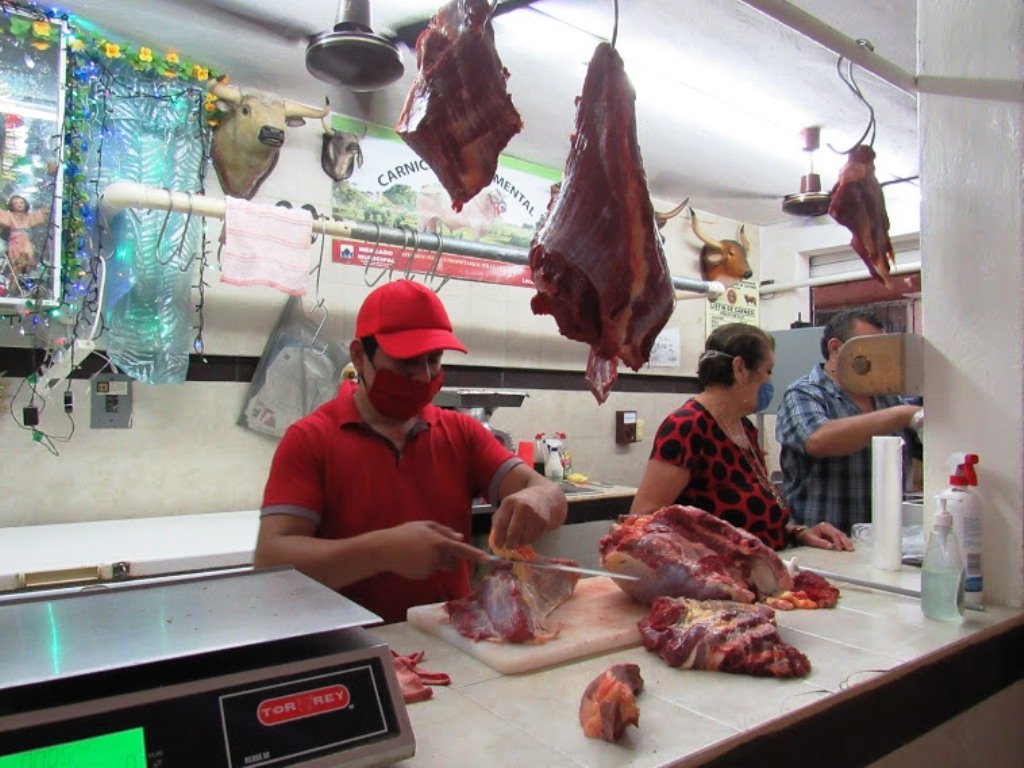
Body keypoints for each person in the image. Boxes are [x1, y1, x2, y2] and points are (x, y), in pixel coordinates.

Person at [253, 279, 567, 624]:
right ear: (359, 356)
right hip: (354, 648)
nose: (424, 376)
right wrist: (381, 551)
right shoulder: (311, 440)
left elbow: (550, 494)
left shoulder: (460, 433)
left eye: (434, 360)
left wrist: (539, 500)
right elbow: (272, 558)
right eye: (407, 363)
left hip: (450, 643)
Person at [630, 323, 851, 551]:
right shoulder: (688, 426)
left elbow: (755, 521)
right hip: (714, 578)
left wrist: (799, 532)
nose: (769, 381)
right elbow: (642, 521)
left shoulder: (744, 428)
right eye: (768, 371)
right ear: (740, 369)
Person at [775, 309, 923, 534]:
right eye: (870, 350)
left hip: (883, 541)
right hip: (826, 544)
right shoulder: (804, 393)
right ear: (836, 349)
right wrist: (900, 415)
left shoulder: (888, 397)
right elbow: (817, 440)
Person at [0, 195, 49, 277]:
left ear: (25, 204)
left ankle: (28, 277)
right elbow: (2, 215)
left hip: (26, 242)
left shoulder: (28, 216)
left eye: (21, 202)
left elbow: (38, 215)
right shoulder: (10, 216)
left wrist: (45, 211)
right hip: (15, 243)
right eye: (16, 203)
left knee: (29, 259)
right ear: (12, 206)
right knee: (16, 264)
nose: (19, 205)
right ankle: (15, 278)